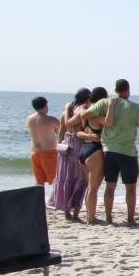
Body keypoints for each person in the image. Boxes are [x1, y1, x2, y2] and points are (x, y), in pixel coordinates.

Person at [82, 79, 139, 226]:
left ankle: (108, 219)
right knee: (131, 187)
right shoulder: (137, 108)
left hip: (109, 151)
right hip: (128, 151)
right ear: (128, 90)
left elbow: (85, 115)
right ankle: (130, 219)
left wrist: (98, 117)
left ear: (115, 90)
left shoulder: (104, 103)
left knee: (110, 186)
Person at [48, 88, 91, 221]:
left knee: (65, 178)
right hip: (79, 145)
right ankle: (76, 214)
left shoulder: (65, 112)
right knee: (81, 180)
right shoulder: (82, 111)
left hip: (65, 146)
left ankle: (66, 213)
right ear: (87, 98)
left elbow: (61, 132)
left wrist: (60, 146)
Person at [73, 87, 108, 224]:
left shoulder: (84, 112)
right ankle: (91, 219)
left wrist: (88, 136)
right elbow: (110, 123)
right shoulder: (98, 113)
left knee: (90, 187)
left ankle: (90, 216)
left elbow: (77, 132)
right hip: (95, 151)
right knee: (93, 189)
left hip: (84, 150)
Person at [26, 96, 60, 186]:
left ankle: (39, 195)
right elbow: (63, 131)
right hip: (48, 152)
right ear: (45, 106)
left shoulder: (29, 119)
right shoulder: (51, 120)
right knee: (55, 180)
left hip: (35, 152)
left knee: (39, 181)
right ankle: (56, 196)